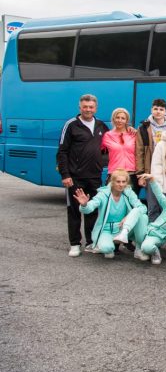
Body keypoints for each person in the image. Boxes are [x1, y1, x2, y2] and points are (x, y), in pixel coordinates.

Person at [58, 94, 110, 256]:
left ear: (96, 108)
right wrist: (65, 174)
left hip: (94, 177)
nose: (88, 110)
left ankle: (91, 242)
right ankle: (74, 244)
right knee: (74, 210)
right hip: (75, 177)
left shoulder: (101, 125)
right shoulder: (71, 125)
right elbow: (62, 152)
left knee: (92, 210)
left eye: (91, 107)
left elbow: (112, 142)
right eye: (85, 107)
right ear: (79, 108)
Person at [113, 174, 166, 265]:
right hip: (147, 230)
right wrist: (152, 180)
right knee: (141, 215)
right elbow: (159, 195)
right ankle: (125, 234)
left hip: (157, 237)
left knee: (146, 247)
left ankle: (155, 253)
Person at [73, 168, 146, 258]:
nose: (121, 184)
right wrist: (84, 205)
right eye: (118, 181)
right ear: (112, 182)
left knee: (143, 217)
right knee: (107, 249)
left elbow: (142, 207)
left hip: (124, 227)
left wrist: (128, 217)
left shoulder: (128, 192)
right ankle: (107, 245)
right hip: (107, 230)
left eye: (123, 182)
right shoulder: (103, 194)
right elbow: (90, 207)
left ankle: (139, 249)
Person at [135, 98, 166, 218]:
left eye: (161, 109)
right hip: (150, 170)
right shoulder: (144, 127)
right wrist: (141, 174)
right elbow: (139, 152)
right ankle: (152, 227)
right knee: (153, 205)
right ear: (151, 110)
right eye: (156, 109)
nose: (158, 112)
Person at [102, 107, 137, 185]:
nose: (120, 120)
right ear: (113, 119)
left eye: (123, 118)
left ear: (127, 121)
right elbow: (96, 149)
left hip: (131, 173)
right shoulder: (107, 135)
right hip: (114, 173)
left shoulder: (133, 134)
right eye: (117, 117)